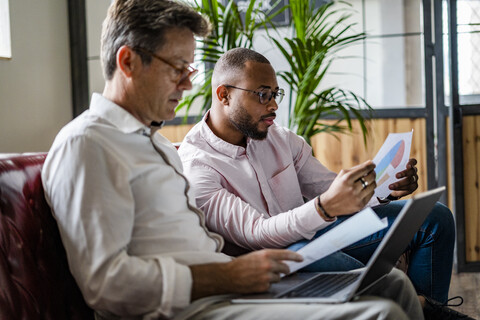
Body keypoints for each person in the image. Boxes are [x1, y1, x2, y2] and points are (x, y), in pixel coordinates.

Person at [40, 1, 428, 319]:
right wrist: (227, 275)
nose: (189, 84)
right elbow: (105, 284)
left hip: (227, 287)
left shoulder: (153, 145)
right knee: (380, 312)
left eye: (189, 70)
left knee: (392, 285)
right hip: (193, 306)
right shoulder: (88, 145)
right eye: (177, 68)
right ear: (128, 62)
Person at [178, 48, 471, 319]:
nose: (275, 105)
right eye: (263, 94)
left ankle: (427, 310)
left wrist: (384, 190)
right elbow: (257, 234)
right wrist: (324, 207)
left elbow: (329, 189)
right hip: (274, 261)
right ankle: (427, 312)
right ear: (224, 94)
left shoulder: (281, 139)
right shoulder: (198, 165)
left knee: (435, 218)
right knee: (380, 279)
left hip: (316, 235)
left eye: (276, 93)